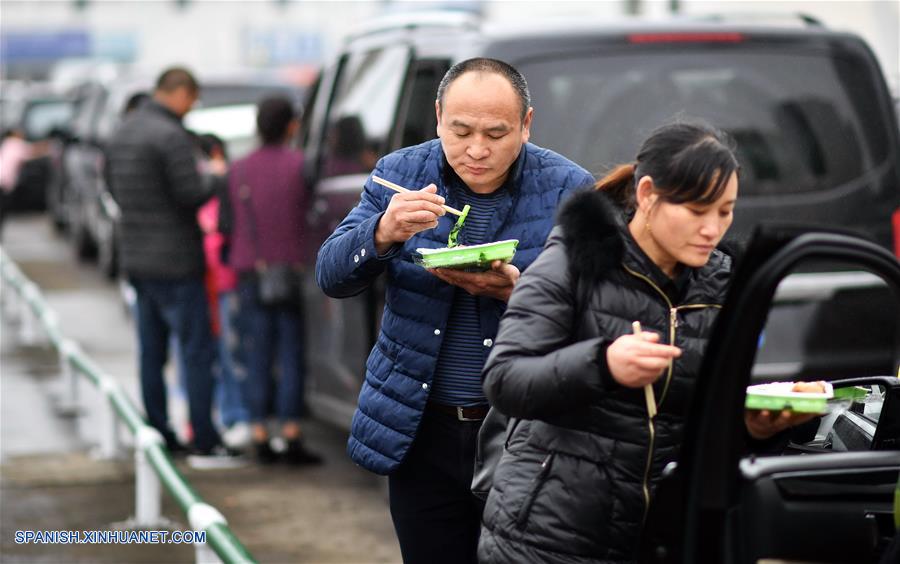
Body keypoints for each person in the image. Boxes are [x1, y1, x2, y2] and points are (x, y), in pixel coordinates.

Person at [477, 121, 817, 563]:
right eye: (697, 211)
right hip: (552, 537)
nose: (712, 229)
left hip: (667, 535)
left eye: (725, 211)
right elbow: (505, 380)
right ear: (647, 195)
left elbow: (703, 420)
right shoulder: (572, 263)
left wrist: (756, 427)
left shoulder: (723, 285)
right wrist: (602, 363)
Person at [316, 58, 595, 563]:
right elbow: (331, 276)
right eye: (461, 130)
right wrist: (383, 231)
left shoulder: (568, 189)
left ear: (526, 125)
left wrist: (518, 292)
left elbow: (599, 312)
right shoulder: (400, 173)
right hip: (421, 428)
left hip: (523, 433)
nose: (477, 150)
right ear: (439, 116)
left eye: (496, 133)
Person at [106, 67, 242, 468]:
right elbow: (189, 194)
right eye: (192, 99)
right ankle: (203, 436)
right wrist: (216, 178)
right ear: (180, 92)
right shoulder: (171, 136)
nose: (192, 107)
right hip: (178, 263)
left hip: (136, 259)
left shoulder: (123, 132)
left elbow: (112, 189)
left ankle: (159, 432)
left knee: (151, 351)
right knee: (197, 351)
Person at [221, 96, 320, 465]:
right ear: (291, 126)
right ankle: (291, 432)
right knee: (292, 352)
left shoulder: (239, 168)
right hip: (294, 271)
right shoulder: (302, 166)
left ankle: (259, 430)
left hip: (252, 271)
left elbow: (226, 224)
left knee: (255, 352)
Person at [195, 133, 251, 449]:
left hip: (226, 282)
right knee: (210, 354)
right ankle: (217, 416)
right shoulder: (201, 189)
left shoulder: (226, 185)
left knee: (232, 355)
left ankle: (237, 416)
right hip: (204, 283)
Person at [0, 128, 33, 236]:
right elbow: (31, 152)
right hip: (4, 183)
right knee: (2, 212)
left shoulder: (7, 143)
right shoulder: (16, 144)